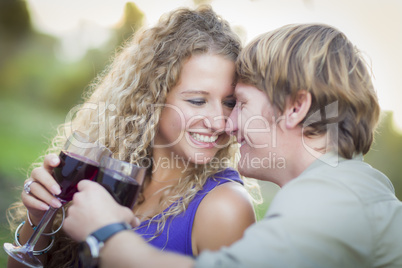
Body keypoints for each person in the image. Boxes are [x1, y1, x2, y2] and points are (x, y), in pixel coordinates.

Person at [62, 22, 402, 267]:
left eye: (238, 103)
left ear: (296, 107)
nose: (229, 123)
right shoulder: (351, 187)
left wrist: (105, 232)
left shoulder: (329, 201)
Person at [7, 6, 260, 268]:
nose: (219, 121)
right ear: (152, 98)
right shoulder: (104, 173)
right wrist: (40, 218)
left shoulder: (225, 207)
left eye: (230, 102)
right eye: (197, 101)